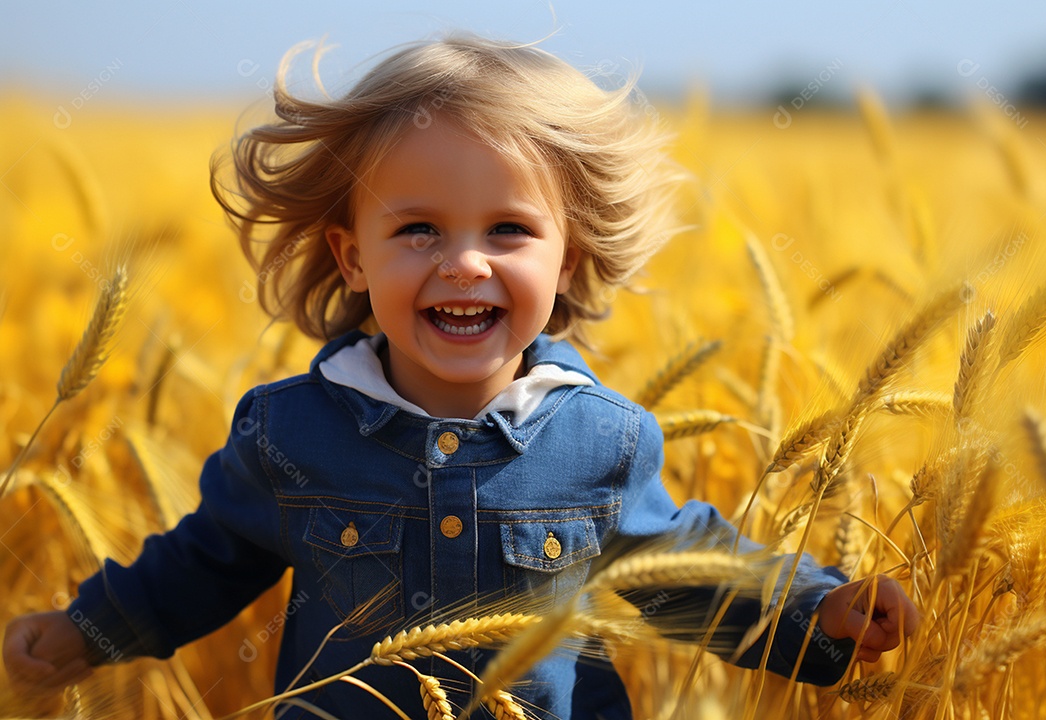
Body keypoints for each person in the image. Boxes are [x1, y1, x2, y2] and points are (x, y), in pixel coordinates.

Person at [3, 35, 918, 719]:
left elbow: (683, 573)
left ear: (567, 261)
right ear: (352, 257)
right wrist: (90, 631)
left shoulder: (601, 439)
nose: (465, 263)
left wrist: (818, 612)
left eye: (508, 230)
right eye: (418, 230)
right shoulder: (289, 433)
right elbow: (205, 561)